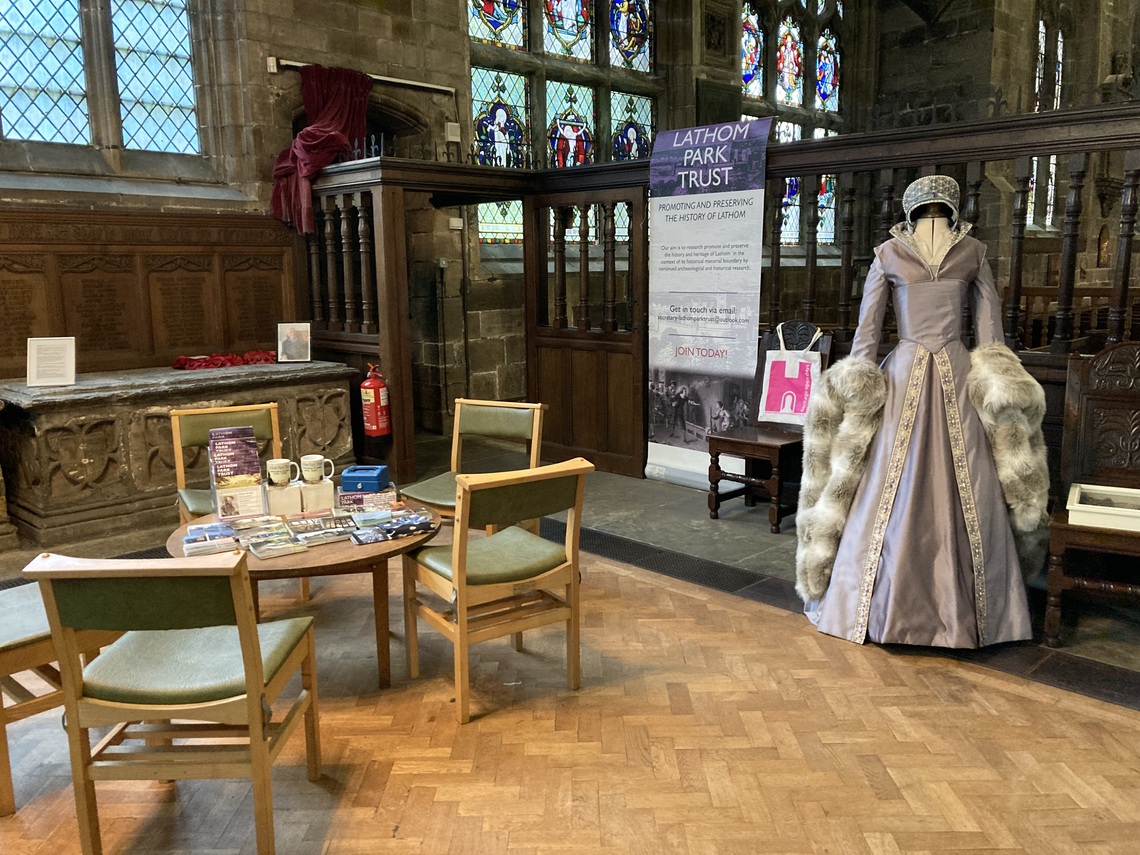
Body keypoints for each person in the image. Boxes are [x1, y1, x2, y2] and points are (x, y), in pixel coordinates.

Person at [795, 175, 1049, 649]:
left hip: (909, 368)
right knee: (963, 478)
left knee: (890, 481)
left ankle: (884, 607)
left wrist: (858, 377)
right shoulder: (963, 251)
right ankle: (964, 614)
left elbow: (867, 333)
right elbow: (990, 331)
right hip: (954, 368)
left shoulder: (898, 254)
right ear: (950, 209)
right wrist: (995, 375)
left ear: (912, 210)